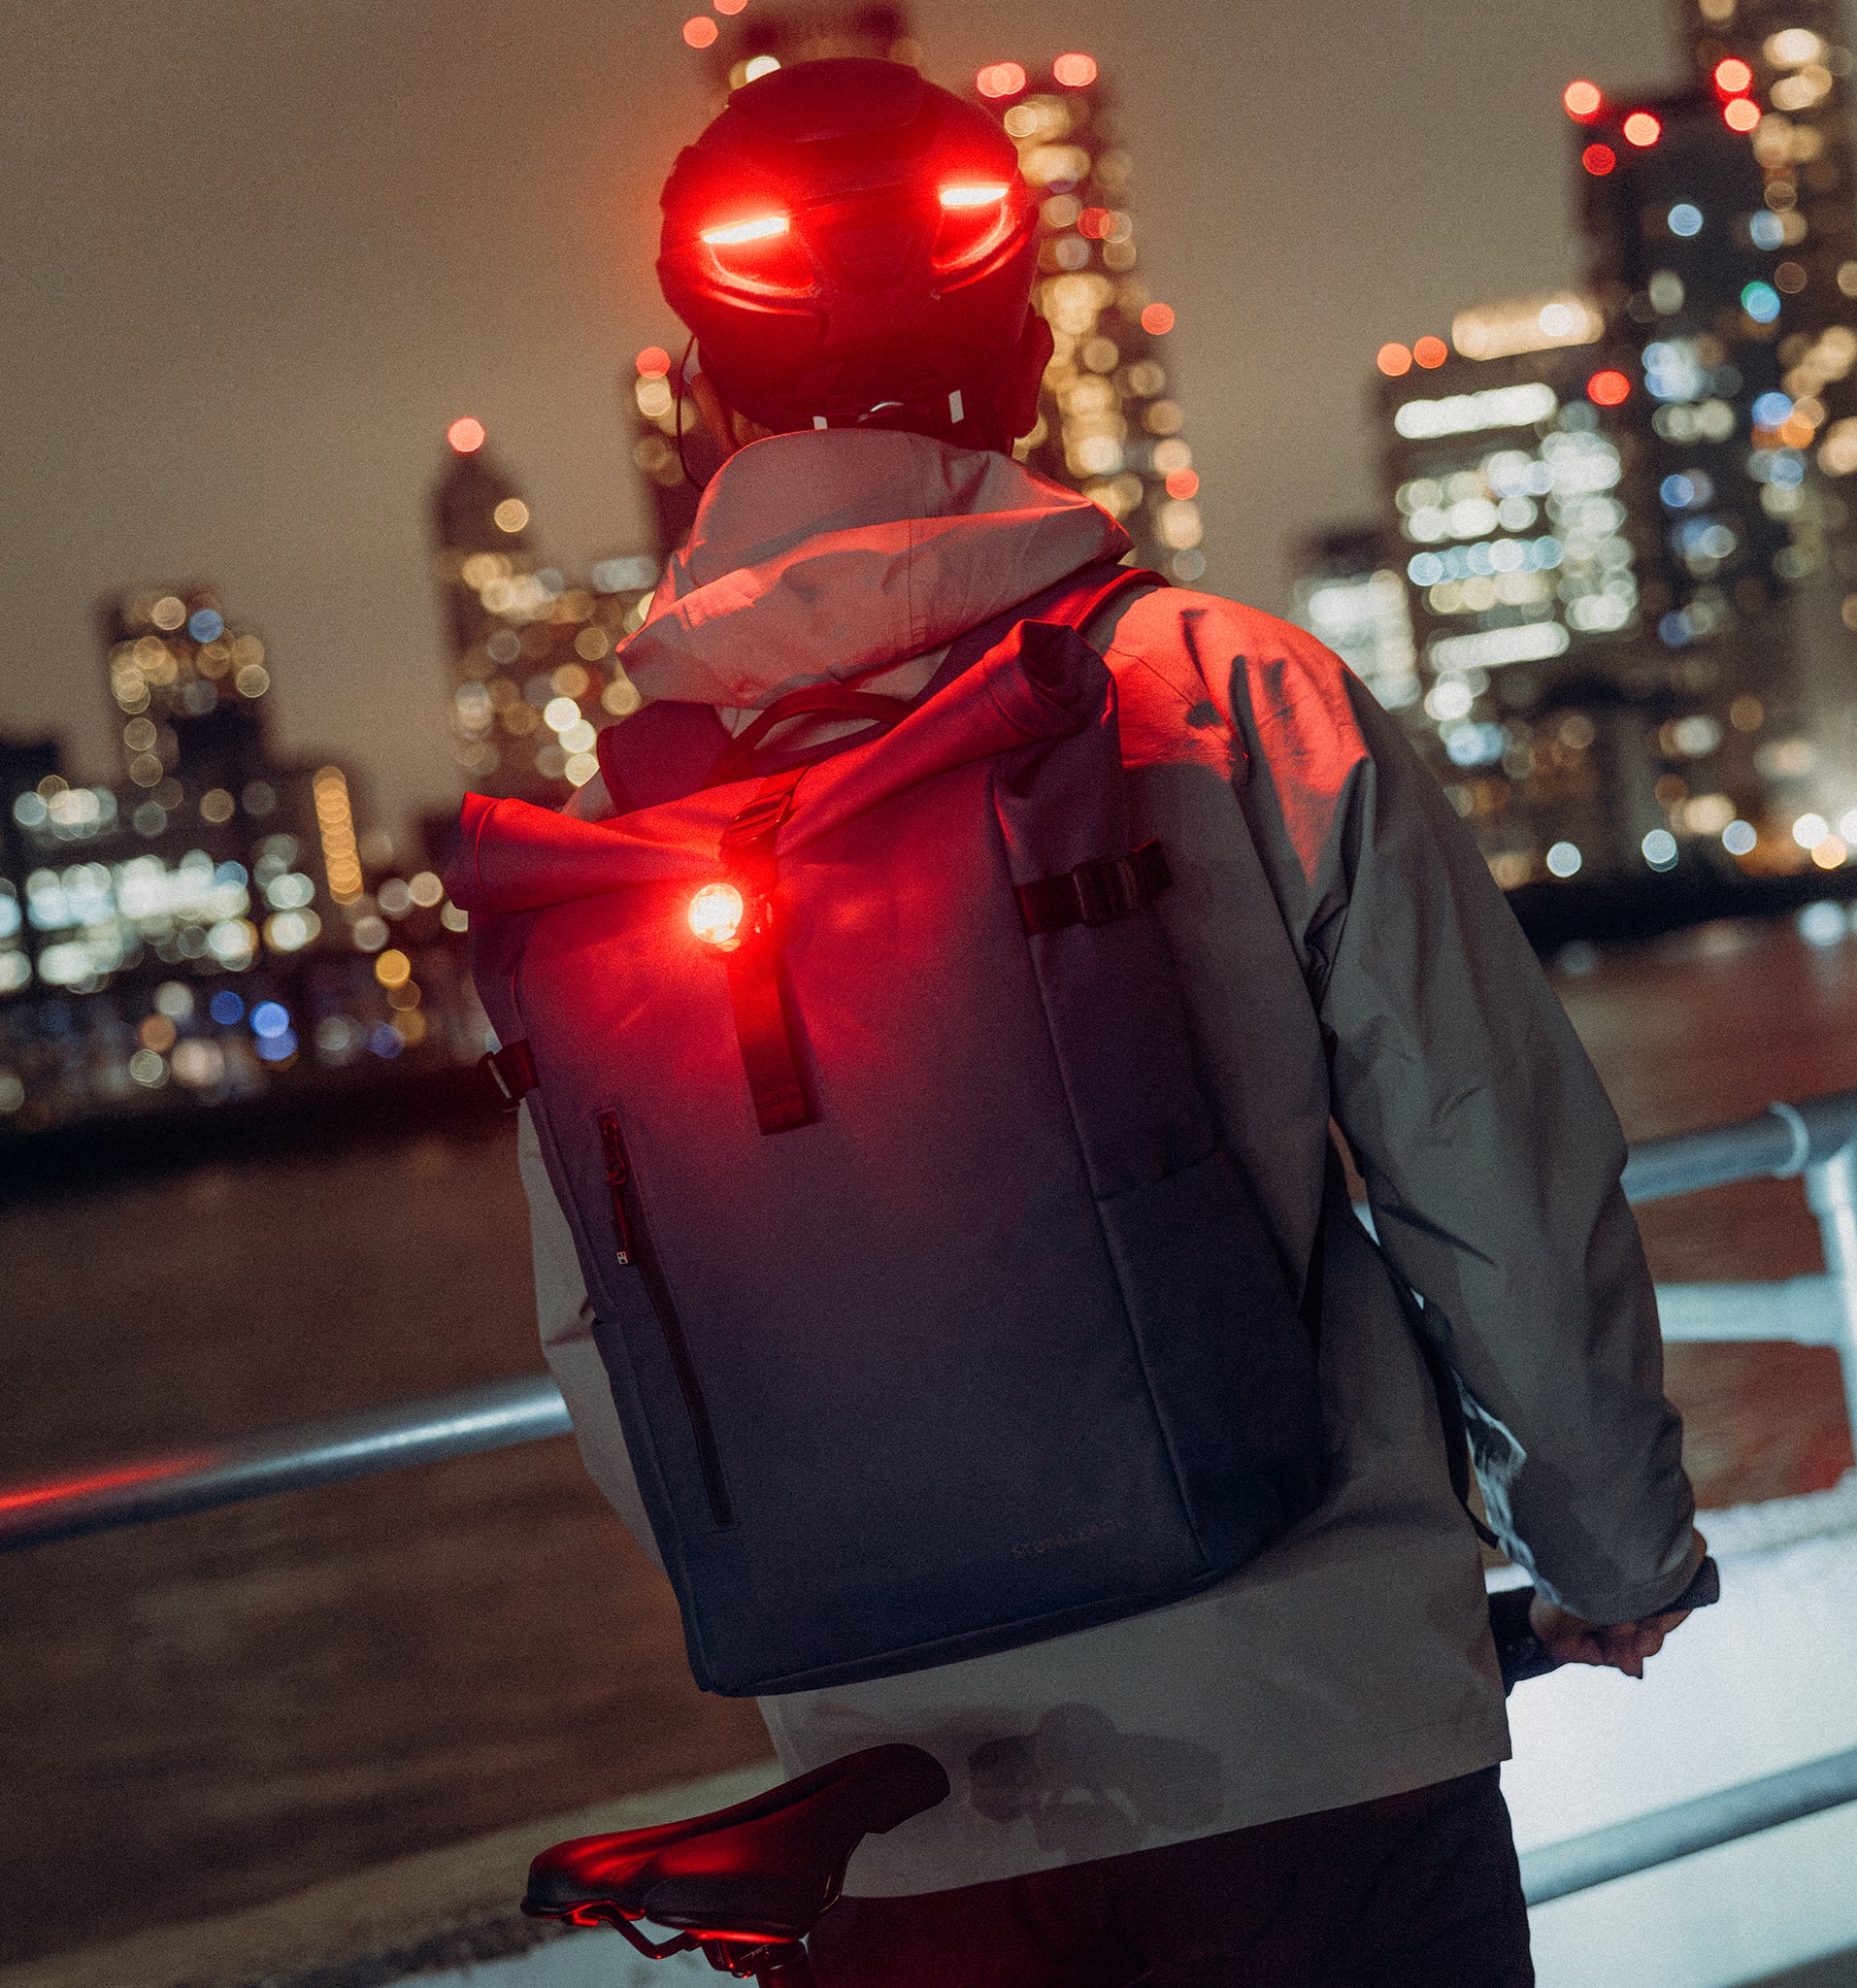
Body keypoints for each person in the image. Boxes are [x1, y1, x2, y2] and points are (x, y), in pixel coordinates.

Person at [514, 55, 1706, 1987]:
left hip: (892, 1810)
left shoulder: (621, 832)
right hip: (1314, 1744)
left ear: (706, 385)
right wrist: (1612, 1554)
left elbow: (600, 1338)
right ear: (1025, 345)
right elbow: (1489, 1160)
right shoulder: (1223, 691)